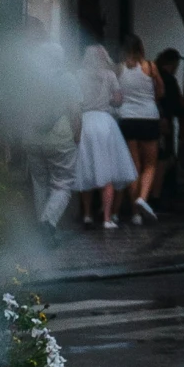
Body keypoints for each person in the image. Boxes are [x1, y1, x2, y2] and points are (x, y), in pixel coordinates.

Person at [19, 20, 81, 238]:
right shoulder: (67, 78)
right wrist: (77, 136)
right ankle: (48, 224)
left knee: (39, 183)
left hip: (32, 136)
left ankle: (42, 227)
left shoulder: (29, 78)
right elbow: (75, 111)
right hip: (60, 136)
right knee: (63, 183)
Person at [74, 41, 136, 229]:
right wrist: (109, 99)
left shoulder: (78, 75)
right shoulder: (109, 75)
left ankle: (86, 214)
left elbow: (74, 100)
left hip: (85, 122)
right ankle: (107, 218)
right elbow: (118, 101)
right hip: (104, 123)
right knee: (107, 170)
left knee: (86, 170)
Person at [115, 35, 163, 223]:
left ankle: (135, 213)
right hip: (149, 118)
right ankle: (143, 198)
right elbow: (161, 90)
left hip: (127, 118)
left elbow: (117, 94)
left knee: (134, 167)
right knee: (150, 165)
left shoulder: (119, 69)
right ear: (141, 48)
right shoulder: (150, 67)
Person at [152, 50, 184, 205]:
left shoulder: (153, 76)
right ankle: (157, 195)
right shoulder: (169, 80)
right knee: (164, 158)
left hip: (150, 120)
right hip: (164, 122)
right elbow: (175, 104)